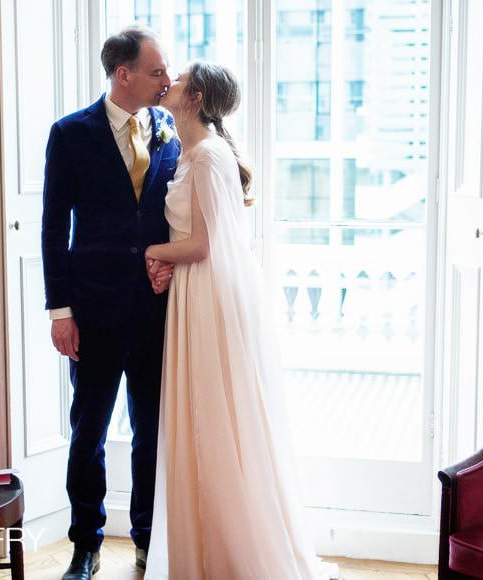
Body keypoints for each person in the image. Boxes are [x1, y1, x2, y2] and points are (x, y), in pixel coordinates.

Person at [142, 63, 340, 579]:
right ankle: (203, 552)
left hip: (207, 294)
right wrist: (165, 258)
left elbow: (203, 244)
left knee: (213, 418)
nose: (171, 82)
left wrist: (150, 252)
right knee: (199, 419)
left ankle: (231, 556)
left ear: (196, 95)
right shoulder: (190, 151)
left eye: (179, 78)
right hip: (194, 289)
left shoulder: (208, 155)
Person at [41, 26, 180, 580]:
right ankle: (86, 545)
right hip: (93, 312)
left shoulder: (170, 128)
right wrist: (61, 313)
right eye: (156, 72)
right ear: (123, 74)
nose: (167, 81)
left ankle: (147, 538)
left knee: (151, 432)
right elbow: (53, 229)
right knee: (89, 434)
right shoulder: (71, 133)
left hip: (155, 311)